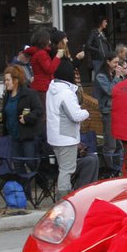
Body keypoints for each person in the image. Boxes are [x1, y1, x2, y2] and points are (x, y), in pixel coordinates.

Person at [46, 59, 91, 199]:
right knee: (66, 170)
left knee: (63, 169)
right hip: (66, 138)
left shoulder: (51, 89)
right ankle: (63, 200)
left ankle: (64, 197)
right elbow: (75, 115)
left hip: (54, 136)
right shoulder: (66, 93)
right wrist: (86, 112)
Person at [0, 65, 44, 177]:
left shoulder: (29, 94)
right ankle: (25, 193)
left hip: (27, 136)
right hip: (12, 137)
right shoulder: (7, 96)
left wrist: (27, 118)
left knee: (31, 162)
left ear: (16, 80)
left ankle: (44, 182)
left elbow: (39, 110)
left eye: (8, 80)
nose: (6, 82)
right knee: (18, 165)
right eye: (5, 80)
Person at [93, 51, 125, 173]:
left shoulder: (114, 74)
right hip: (108, 111)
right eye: (115, 62)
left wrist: (122, 76)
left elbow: (122, 90)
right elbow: (111, 91)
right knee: (110, 144)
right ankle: (109, 169)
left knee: (119, 143)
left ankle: (119, 168)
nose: (117, 65)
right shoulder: (101, 76)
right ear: (108, 62)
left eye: (118, 62)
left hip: (118, 110)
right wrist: (117, 77)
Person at [29, 29, 59, 106]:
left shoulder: (39, 52)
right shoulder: (41, 54)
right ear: (44, 40)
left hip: (40, 86)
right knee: (43, 113)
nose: (50, 41)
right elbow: (49, 70)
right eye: (48, 39)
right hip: (42, 87)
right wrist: (58, 57)